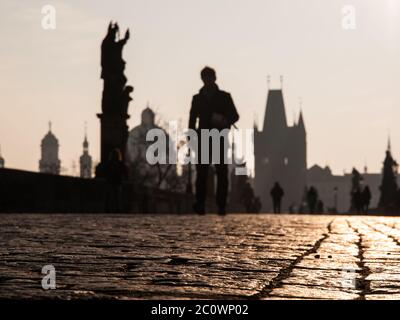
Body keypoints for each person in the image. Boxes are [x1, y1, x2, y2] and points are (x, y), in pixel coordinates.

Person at [189, 67, 239, 215]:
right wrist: (191, 136)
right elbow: (192, 119)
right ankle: (200, 203)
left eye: (209, 77)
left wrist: (224, 120)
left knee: (222, 173)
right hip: (203, 139)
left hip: (219, 138)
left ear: (214, 78)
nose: (207, 80)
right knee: (202, 173)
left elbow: (235, 116)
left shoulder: (225, 96)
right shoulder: (197, 98)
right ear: (202, 79)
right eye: (205, 77)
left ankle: (221, 205)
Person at [105, 148, 127, 213]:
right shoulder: (119, 164)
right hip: (115, 182)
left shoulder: (110, 164)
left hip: (114, 182)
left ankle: (114, 209)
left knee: (115, 197)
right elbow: (125, 173)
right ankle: (116, 209)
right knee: (115, 197)